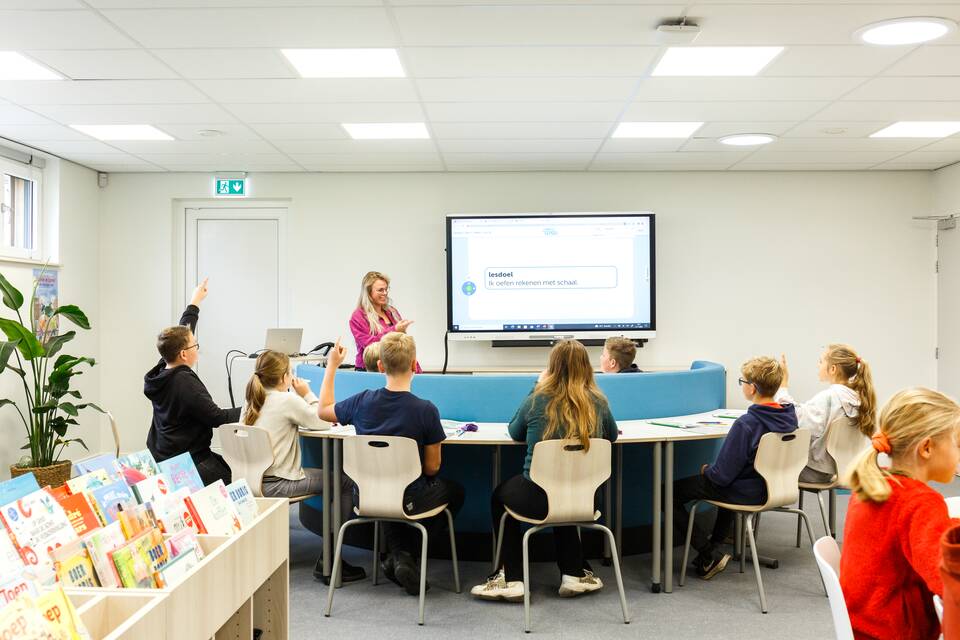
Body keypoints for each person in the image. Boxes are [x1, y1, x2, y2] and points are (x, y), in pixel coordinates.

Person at [471, 340, 618, 602]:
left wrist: (537, 386)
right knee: (565, 489)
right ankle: (574, 572)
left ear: (552, 367)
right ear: (586, 368)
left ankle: (511, 577)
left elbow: (514, 431)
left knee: (501, 496)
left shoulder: (539, 400)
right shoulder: (599, 402)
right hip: (585, 499)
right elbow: (611, 437)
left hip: (537, 500)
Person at [319, 332, 463, 595]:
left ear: (381, 366)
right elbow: (432, 468)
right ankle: (408, 556)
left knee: (387, 486)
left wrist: (332, 366)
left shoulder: (362, 401)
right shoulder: (426, 410)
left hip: (365, 497)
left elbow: (323, 410)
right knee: (454, 491)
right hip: (409, 499)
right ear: (414, 365)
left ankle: (399, 556)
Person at [841, 388, 960, 640]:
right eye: (958, 444)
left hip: (863, 626)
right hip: (898, 633)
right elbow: (946, 581)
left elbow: (911, 533)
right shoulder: (920, 503)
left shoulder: (874, 485)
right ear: (927, 448)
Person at [241, 350, 365, 583]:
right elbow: (323, 422)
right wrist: (307, 394)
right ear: (284, 377)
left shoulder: (252, 400)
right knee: (345, 483)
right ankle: (330, 558)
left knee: (337, 480)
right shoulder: (286, 400)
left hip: (250, 482)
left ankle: (329, 556)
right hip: (279, 484)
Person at [672, 356, 797, 580]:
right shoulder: (789, 418)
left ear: (752, 388)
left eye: (743, 381)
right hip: (771, 488)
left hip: (746, 493)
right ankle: (713, 550)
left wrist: (706, 470)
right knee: (730, 480)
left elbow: (721, 477)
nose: (742, 385)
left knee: (667, 493)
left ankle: (709, 553)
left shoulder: (747, 424)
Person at [145, 278, 241, 486]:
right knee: (237, 483)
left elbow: (182, 332)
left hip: (163, 455)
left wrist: (194, 302)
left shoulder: (163, 368)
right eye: (195, 345)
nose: (197, 348)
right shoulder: (184, 383)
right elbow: (217, 417)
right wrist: (258, 406)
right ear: (183, 354)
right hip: (186, 461)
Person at [776, 344, 876, 483]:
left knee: (763, 465)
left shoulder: (830, 397)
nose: (818, 365)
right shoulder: (856, 399)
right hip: (835, 470)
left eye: (821, 361)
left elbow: (794, 420)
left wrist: (783, 386)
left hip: (813, 471)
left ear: (833, 369)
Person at [349, 271, 420, 372]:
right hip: (369, 370)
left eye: (386, 289)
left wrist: (417, 370)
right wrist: (394, 330)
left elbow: (404, 346)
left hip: (393, 369)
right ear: (369, 292)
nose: (385, 293)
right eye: (380, 290)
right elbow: (369, 345)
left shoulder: (392, 312)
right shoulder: (358, 316)